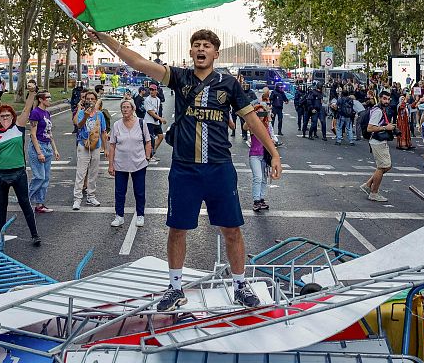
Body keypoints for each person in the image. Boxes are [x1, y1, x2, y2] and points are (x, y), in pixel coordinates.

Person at [89, 28, 281, 311]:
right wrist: (106, 39)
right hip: (184, 169)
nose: (201, 49)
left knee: (232, 229)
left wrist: (273, 153)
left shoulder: (229, 84)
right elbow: (139, 62)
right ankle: (175, 287)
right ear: (191, 52)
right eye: (196, 45)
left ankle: (240, 285)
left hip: (219, 168)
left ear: (215, 53)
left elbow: (252, 120)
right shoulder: (179, 78)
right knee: (177, 229)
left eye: (206, 45)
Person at [0, 92, 41, 246]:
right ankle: (0, 234)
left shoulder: (18, 128)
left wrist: (31, 93)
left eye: (8, 115)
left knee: (25, 203)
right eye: (2, 116)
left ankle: (35, 234)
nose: (5, 118)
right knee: (2, 205)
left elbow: (26, 109)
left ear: (12, 117)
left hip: (18, 173)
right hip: (0, 174)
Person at [108, 99, 152, 227]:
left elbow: (148, 141)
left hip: (138, 163)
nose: (125, 110)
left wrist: (147, 157)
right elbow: (112, 146)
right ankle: (119, 216)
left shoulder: (141, 123)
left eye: (128, 107)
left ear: (133, 109)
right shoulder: (116, 125)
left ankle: (140, 215)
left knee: (139, 191)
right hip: (120, 163)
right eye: (123, 107)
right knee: (120, 191)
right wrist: (111, 165)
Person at [72, 90, 109, 210]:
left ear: (96, 100)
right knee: (81, 172)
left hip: (96, 146)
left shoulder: (100, 115)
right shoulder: (82, 113)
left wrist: (106, 148)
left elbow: (103, 132)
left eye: (92, 99)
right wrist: (86, 116)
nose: (90, 101)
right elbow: (79, 125)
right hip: (83, 145)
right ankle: (77, 199)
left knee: (93, 172)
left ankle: (91, 196)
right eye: (88, 99)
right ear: (85, 100)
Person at [28, 91, 60, 213]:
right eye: (48, 97)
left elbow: (49, 132)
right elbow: (33, 134)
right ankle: (25, 199)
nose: (50, 99)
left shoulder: (47, 113)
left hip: (47, 146)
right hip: (38, 146)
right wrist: (39, 152)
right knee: (39, 177)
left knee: (45, 178)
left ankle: (39, 204)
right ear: (41, 100)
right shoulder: (35, 113)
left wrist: (55, 149)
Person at [361, 90, 395, 202]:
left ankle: (368, 185)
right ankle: (374, 193)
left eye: (388, 99)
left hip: (379, 141)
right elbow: (370, 128)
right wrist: (386, 128)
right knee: (383, 167)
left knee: (385, 166)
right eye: (384, 98)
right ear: (379, 98)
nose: (386, 101)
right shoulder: (378, 111)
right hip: (377, 141)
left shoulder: (380, 110)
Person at [249, 105, 273, 211]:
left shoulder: (268, 126)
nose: (261, 115)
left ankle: (261, 199)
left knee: (264, 178)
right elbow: (245, 126)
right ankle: (256, 201)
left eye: (262, 113)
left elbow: (272, 138)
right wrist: (252, 116)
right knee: (257, 177)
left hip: (265, 155)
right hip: (254, 155)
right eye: (258, 113)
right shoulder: (252, 126)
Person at [143, 84, 167, 161]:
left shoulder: (158, 99)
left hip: (155, 121)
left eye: (153, 90)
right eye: (150, 90)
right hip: (149, 121)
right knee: (150, 139)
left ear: (156, 91)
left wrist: (160, 118)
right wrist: (160, 119)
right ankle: (148, 155)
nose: (151, 91)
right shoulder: (147, 100)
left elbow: (157, 111)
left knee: (160, 136)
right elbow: (150, 112)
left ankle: (152, 152)